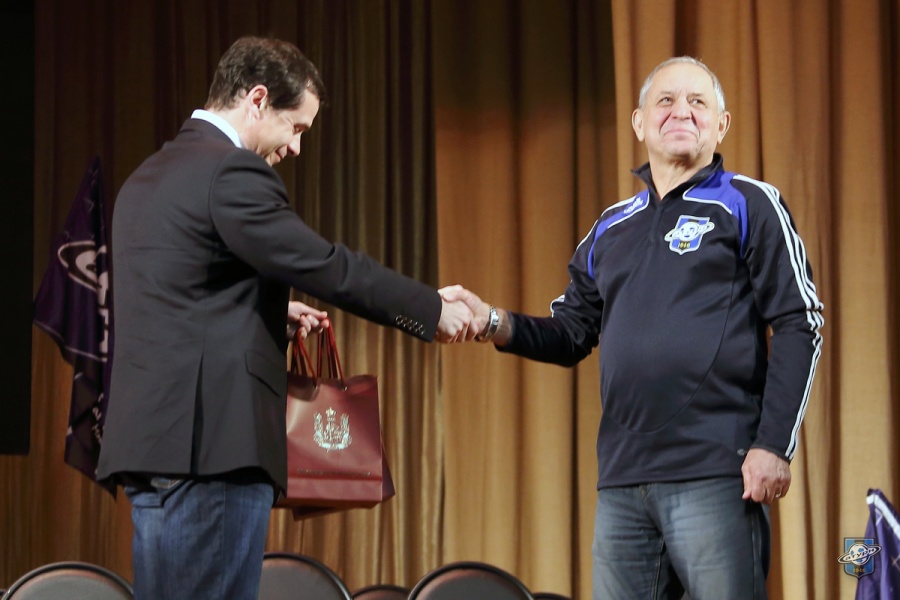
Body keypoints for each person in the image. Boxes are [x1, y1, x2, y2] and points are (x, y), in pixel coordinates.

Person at [96, 36, 479, 600]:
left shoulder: (147, 177)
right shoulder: (230, 171)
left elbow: (179, 304)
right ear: (257, 100)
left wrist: (269, 313)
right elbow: (325, 265)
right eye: (296, 127)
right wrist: (431, 309)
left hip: (153, 449)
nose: (297, 148)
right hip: (213, 454)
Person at [446, 57, 824, 599]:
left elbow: (799, 322)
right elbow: (570, 333)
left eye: (698, 102)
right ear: (639, 122)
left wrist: (774, 446)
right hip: (624, 483)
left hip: (718, 471)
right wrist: (490, 320)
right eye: (665, 100)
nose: (681, 112)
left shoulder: (750, 203)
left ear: (721, 125)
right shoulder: (611, 226)